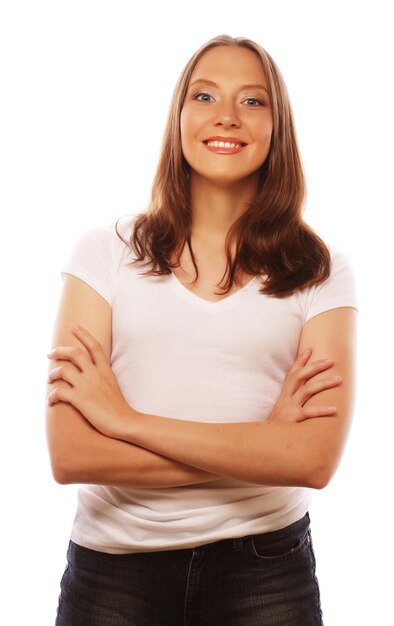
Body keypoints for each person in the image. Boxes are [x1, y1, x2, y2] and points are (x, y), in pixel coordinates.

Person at [46, 34, 357, 626]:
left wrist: (126, 423)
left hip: (266, 569)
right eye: (205, 95)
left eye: (252, 101)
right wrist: (264, 446)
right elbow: (71, 452)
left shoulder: (320, 268)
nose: (225, 116)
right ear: (179, 116)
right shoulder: (103, 253)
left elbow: (313, 459)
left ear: (277, 127)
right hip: (114, 572)